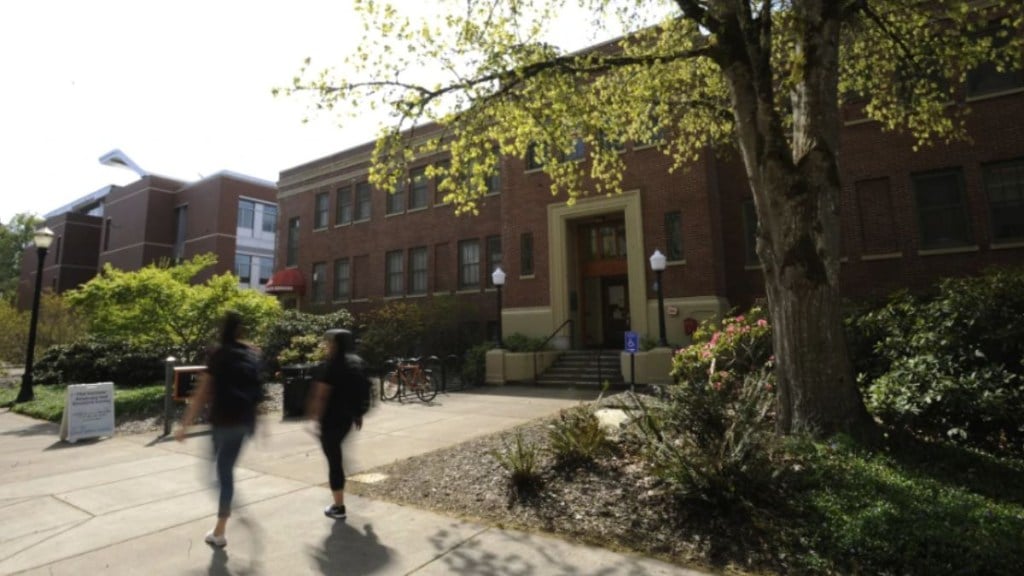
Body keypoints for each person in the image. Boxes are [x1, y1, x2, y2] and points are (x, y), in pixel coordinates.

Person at [176, 311, 263, 547]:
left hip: (223, 421)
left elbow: (202, 393)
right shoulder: (251, 354)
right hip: (243, 422)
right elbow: (258, 391)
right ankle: (227, 512)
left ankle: (220, 529)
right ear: (240, 330)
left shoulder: (219, 354)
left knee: (219, 474)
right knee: (223, 472)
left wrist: (185, 425)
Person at [308, 329, 370, 520]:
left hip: (331, 420)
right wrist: (358, 414)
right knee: (337, 457)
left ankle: (338, 507)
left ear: (335, 344)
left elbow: (321, 395)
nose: (327, 345)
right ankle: (340, 497)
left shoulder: (332, 365)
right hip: (348, 419)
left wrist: (316, 418)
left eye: (329, 342)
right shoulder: (357, 363)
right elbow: (362, 389)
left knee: (334, 463)